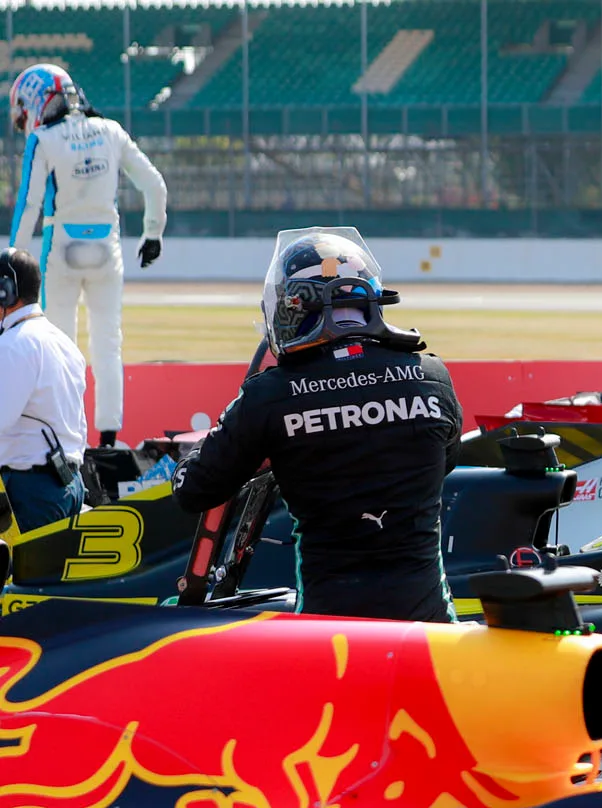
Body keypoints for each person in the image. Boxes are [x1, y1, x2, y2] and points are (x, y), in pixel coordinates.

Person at [173, 229, 463, 621]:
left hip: (329, 634)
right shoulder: (432, 375)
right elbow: (444, 460)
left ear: (292, 306)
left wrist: (197, 452)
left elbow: (193, 491)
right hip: (431, 630)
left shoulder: (269, 396)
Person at [8, 63, 169, 449]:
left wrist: (13, 260)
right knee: (108, 344)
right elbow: (154, 184)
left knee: (60, 346)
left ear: (38, 101)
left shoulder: (44, 140)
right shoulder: (111, 131)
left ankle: (65, 440)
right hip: (106, 248)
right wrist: (153, 234)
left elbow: (29, 207)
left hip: (59, 249)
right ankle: (109, 439)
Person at [0, 248, 88, 531]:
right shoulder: (65, 344)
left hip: (31, 490)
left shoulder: (13, 345)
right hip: (70, 485)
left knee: (26, 576)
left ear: (7, 292)